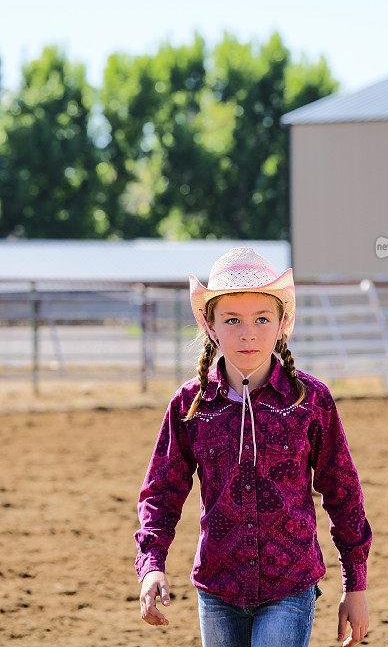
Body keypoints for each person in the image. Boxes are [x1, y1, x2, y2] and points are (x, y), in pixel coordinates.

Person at [134, 247, 372, 647]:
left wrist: (356, 585)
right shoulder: (189, 405)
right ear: (211, 327)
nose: (248, 333)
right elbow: (162, 489)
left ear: (282, 324)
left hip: (290, 585)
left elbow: (342, 491)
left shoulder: (310, 400)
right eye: (232, 320)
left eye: (262, 319)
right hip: (217, 587)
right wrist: (151, 564)